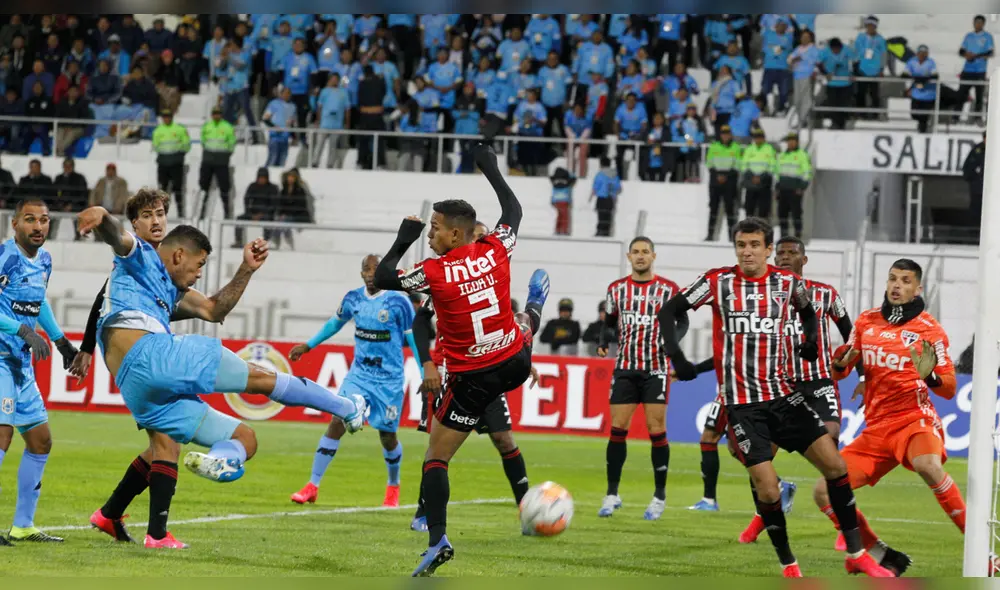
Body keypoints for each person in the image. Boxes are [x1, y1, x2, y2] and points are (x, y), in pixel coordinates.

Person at [76, 195, 366, 549]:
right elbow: (116, 236)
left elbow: (214, 310)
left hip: (136, 387)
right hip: (151, 356)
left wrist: (246, 269)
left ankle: (191, 489)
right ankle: (345, 406)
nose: (156, 221)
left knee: (239, 439)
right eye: (148, 215)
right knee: (260, 377)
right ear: (178, 254)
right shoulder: (138, 253)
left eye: (161, 214)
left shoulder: (168, 287)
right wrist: (101, 215)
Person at [659, 217, 893, 577]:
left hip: (785, 397)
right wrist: (678, 357)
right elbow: (669, 310)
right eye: (741, 245)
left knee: (836, 466)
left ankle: (857, 553)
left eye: (755, 245)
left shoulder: (787, 283)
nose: (747, 251)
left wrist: (813, 341)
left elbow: (808, 310)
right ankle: (789, 565)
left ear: (767, 250)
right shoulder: (717, 281)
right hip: (742, 407)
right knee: (768, 490)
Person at [372, 142, 550, 576]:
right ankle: (533, 311)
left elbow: (382, 277)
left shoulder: (433, 273)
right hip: (515, 361)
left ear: (455, 234)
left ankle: (437, 541)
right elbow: (514, 209)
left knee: (435, 457)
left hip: (473, 377)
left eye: (434, 229)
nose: (430, 234)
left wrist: (403, 239)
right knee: (521, 323)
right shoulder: (495, 249)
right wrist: (489, 166)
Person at [740, 238, 913, 577]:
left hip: (819, 384)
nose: (786, 258)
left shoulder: (825, 294)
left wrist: (863, 376)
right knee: (757, 459)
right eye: (781, 254)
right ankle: (767, 511)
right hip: (780, 386)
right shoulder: (764, 293)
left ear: (804, 258)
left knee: (830, 450)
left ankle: (841, 527)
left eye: (792, 253)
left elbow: (852, 336)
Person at [410, 221, 538, 531]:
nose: (481, 243)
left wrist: (523, 357)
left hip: (490, 373)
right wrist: (429, 364)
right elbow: (421, 322)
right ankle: (422, 512)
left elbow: (504, 330)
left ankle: (528, 512)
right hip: (456, 375)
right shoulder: (445, 278)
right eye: (478, 237)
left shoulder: (492, 280)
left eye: (484, 238)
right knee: (438, 449)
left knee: (504, 439)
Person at [288, 255, 418, 508]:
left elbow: (413, 339)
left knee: (387, 436)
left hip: (389, 380)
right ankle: (312, 486)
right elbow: (334, 324)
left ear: (383, 272)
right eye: (366, 270)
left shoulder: (398, 301)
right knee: (336, 422)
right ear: (360, 274)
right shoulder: (353, 299)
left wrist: (425, 373)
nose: (370, 274)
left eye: (375, 269)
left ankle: (393, 486)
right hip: (358, 375)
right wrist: (308, 345)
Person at [0, 199, 78, 545]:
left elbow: (38, 301)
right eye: (30, 220)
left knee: (40, 439)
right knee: (1, 435)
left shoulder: (44, 260)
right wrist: (22, 330)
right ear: (14, 224)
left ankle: (23, 525)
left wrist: (61, 341)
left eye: (44, 220)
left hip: (20, 363)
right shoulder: (6, 257)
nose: (38, 226)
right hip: (0, 356)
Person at [596, 236, 681, 521]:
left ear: (653, 256)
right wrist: (603, 341)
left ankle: (659, 496)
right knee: (617, 429)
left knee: (656, 430)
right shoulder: (616, 289)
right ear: (629, 257)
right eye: (636, 252)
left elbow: (682, 321)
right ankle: (612, 493)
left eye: (646, 252)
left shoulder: (669, 290)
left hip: (656, 368)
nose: (641, 256)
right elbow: (609, 322)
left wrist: (673, 344)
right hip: (625, 368)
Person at [198, 106, 236, 219]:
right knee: (204, 185)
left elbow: (232, 142)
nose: (216, 115)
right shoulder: (207, 126)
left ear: (221, 114)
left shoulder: (227, 127)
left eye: (218, 113)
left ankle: (227, 213)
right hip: (208, 159)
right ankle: (201, 212)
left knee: (224, 186)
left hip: (222, 160)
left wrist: (225, 155)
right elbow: (203, 140)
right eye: (214, 113)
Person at [704, 124, 741, 241]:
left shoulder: (735, 147)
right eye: (723, 134)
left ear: (730, 135)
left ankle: (732, 237)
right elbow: (709, 164)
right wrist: (718, 176)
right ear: (720, 135)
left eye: (727, 134)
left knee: (730, 210)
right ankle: (710, 235)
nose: (725, 136)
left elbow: (737, 165)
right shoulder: (714, 146)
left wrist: (725, 176)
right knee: (713, 209)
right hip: (715, 180)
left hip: (730, 181)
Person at [152, 109, 191, 218]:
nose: (166, 118)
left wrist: (178, 153)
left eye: (168, 116)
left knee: (178, 187)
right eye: (164, 116)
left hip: (176, 162)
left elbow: (186, 144)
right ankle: (161, 212)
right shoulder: (158, 130)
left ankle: (180, 212)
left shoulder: (179, 129)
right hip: (163, 162)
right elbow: (155, 145)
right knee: (162, 188)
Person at [776, 133, 812, 238]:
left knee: (796, 213)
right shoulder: (782, 155)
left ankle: (798, 235)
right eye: (789, 141)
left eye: (793, 141)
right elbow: (777, 172)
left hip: (795, 190)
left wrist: (802, 187)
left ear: (797, 142)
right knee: (782, 214)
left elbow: (807, 172)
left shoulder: (802, 155)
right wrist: (777, 188)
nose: (790, 143)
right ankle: (783, 236)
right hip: (783, 189)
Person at [959, 15, 994, 124]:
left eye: (980, 22)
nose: (978, 24)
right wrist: (966, 54)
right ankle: (956, 117)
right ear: (973, 23)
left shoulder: (987, 37)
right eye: (976, 22)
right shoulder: (968, 36)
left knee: (979, 95)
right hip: (967, 70)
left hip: (980, 70)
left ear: (983, 24)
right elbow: (961, 51)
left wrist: (974, 56)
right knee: (961, 94)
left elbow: (990, 52)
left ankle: (978, 118)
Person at [233, 167, 278, 248]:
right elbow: (246, 200)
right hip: (252, 213)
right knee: (239, 218)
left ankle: (265, 242)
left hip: (266, 214)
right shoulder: (252, 186)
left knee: (268, 220)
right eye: (260, 177)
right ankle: (238, 241)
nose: (262, 180)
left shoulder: (272, 188)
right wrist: (251, 214)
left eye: (263, 178)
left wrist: (262, 214)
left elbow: (273, 204)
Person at [853, 16, 886, 120]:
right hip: (862, 68)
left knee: (874, 93)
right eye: (869, 26)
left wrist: (881, 69)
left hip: (875, 70)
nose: (871, 28)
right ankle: (861, 113)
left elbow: (883, 55)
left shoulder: (880, 39)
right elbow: (856, 52)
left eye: (873, 26)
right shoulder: (861, 37)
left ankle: (875, 114)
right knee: (860, 92)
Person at [741, 128, 778, 221]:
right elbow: (744, 166)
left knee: (764, 212)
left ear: (764, 138)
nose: (758, 139)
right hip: (751, 185)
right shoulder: (749, 149)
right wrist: (751, 177)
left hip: (764, 185)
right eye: (756, 137)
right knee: (749, 211)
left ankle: (763, 233)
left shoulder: (769, 149)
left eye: (760, 137)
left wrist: (761, 178)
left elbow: (773, 166)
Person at [818, 38, 853, 130]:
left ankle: (842, 123)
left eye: (838, 50)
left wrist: (852, 74)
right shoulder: (825, 51)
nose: (836, 51)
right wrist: (825, 73)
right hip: (832, 83)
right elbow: (818, 63)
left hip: (845, 83)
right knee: (833, 104)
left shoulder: (847, 50)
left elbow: (855, 61)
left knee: (843, 104)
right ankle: (835, 123)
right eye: (834, 50)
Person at [761, 19, 794, 115]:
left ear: (786, 27)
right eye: (779, 25)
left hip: (783, 68)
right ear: (775, 26)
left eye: (784, 25)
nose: (781, 27)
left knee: (783, 91)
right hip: (769, 67)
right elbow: (763, 50)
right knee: (765, 89)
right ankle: (765, 108)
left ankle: (781, 109)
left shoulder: (789, 37)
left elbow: (789, 50)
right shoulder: (768, 34)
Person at [788, 30, 820, 128]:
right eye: (803, 37)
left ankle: (804, 121)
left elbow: (817, 62)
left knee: (806, 100)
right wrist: (794, 60)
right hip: (796, 76)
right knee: (797, 100)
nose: (804, 39)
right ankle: (801, 119)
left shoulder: (814, 50)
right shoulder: (798, 49)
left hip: (807, 76)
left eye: (806, 37)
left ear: (810, 38)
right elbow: (789, 59)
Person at [903, 45, 938, 133]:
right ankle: (922, 124)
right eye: (921, 53)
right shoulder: (912, 61)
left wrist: (923, 79)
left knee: (924, 116)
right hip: (916, 93)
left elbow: (935, 75)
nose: (922, 55)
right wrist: (915, 80)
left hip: (928, 93)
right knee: (914, 114)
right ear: (917, 53)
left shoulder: (931, 62)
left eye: (924, 53)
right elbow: (905, 73)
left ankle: (923, 130)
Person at [52, 157, 89, 240]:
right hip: (60, 206)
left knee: (80, 216)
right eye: (65, 166)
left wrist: (71, 205)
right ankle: (51, 237)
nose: (67, 168)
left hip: (76, 206)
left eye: (69, 166)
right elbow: (53, 193)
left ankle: (79, 236)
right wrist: (60, 204)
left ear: (73, 166)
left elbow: (82, 194)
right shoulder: (59, 178)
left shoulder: (79, 178)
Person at [263, 86, 296, 168]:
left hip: (285, 139)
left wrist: (294, 136)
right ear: (281, 94)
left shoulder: (293, 106)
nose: (287, 95)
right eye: (285, 93)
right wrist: (275, 127)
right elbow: (265, 118)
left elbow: (291, 123)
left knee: (282, 162)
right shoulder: (274, 103)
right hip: (275, 137)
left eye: (288, 93)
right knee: (272, 159)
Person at [962, 131, 986, 242]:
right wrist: (976, 178)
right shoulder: (977, 150)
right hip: (978, 189)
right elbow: (967, 169)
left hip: (993, 191)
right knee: (976, 213)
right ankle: (973, 237)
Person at [591, 157, 621, 237]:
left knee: (601, 217)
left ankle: (600, 232)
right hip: (610, 199)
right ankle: (606, 233)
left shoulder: (600, 174)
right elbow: (618, 188)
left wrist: (590, 197)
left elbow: (595, 187)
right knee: (608, 217)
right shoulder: (615, 174)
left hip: (601, 198)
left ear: (601, 164)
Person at [550, 166, 575, 235]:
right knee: (565, 216)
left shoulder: (554, 181)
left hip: (556, 200)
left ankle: (557, 230)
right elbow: (573, 178)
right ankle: (564, 230)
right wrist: (571, 174)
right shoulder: (567, 181)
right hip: (564, 200)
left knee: (559, 215)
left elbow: (551, 177)